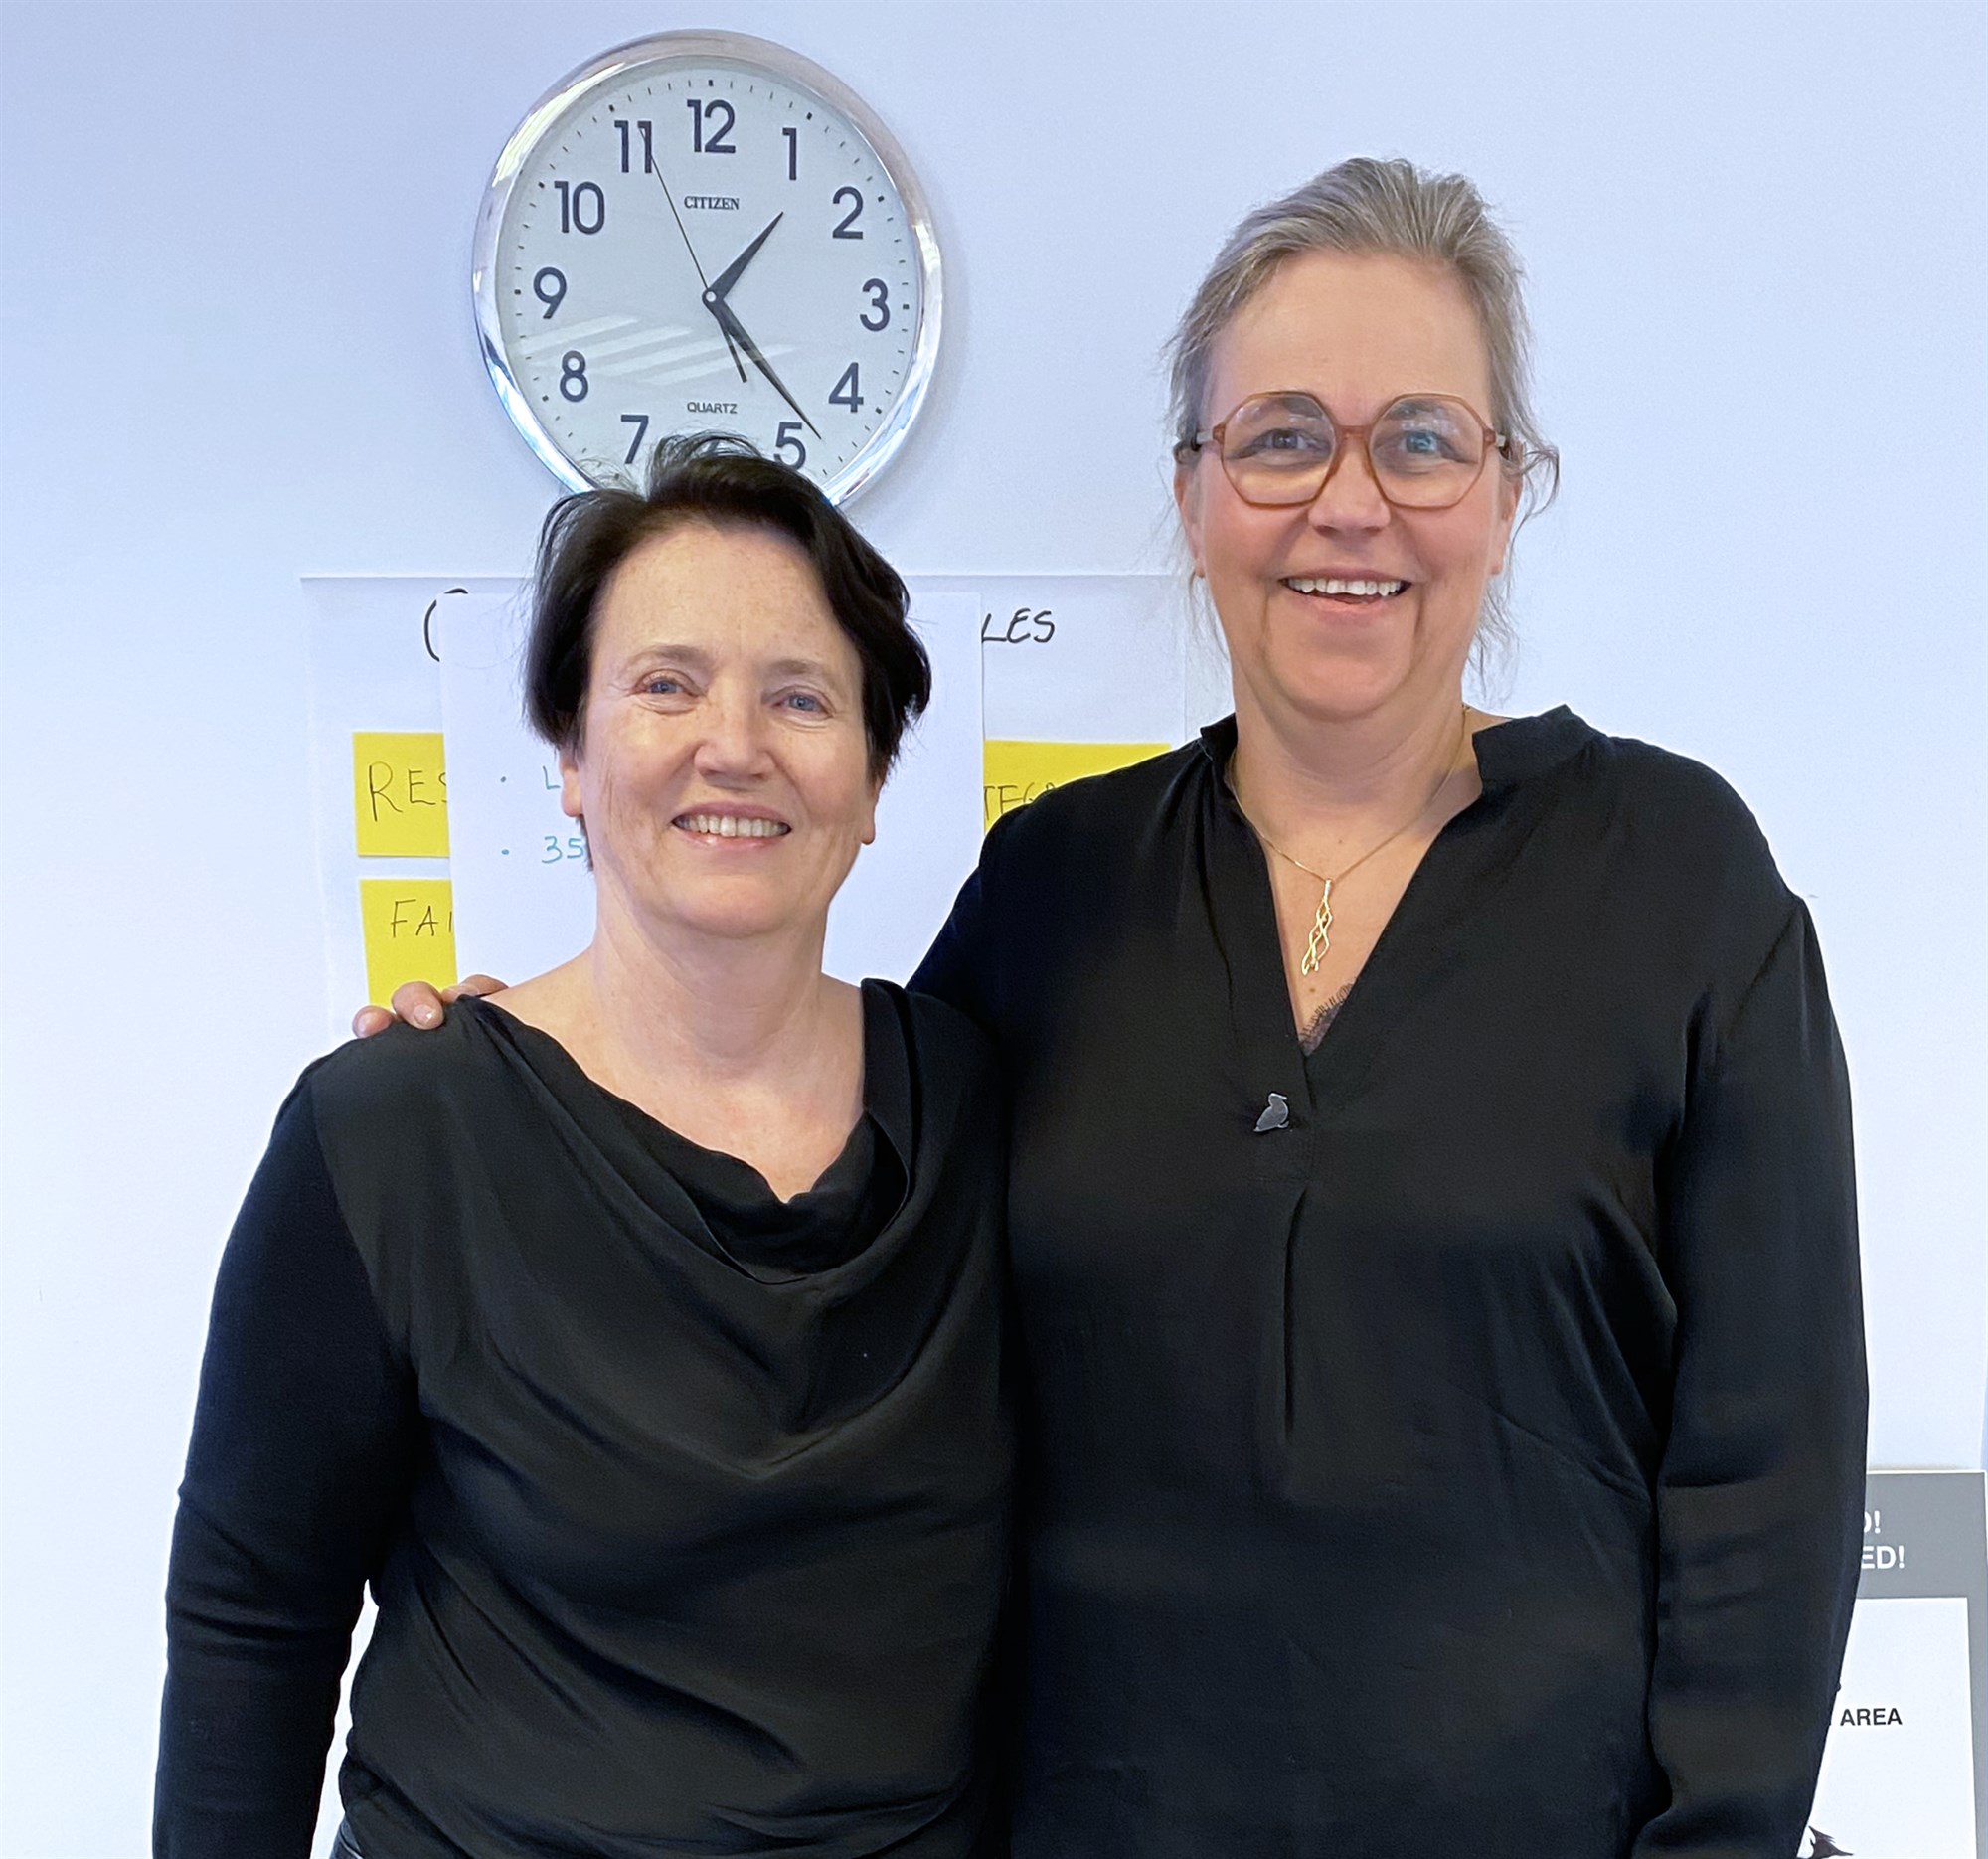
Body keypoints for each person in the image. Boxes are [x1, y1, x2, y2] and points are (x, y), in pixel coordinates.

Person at [366, 160, 1866, 1855]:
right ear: (1193, 492)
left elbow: (1772, 1472)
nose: (1351, 503)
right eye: (1280, 438)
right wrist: (527, 1082)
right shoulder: (1054, 890)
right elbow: (801, 1206)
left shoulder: (1679, 881)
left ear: (1507, 494)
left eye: (1423, 439)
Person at [155, 438, 1012, 1859]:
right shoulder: (394, 1132)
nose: (733, 743)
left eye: (801, 696)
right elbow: (257, 1612)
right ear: (570, 755)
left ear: (871, 784)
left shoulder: (980, 1107)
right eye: (666, 684)